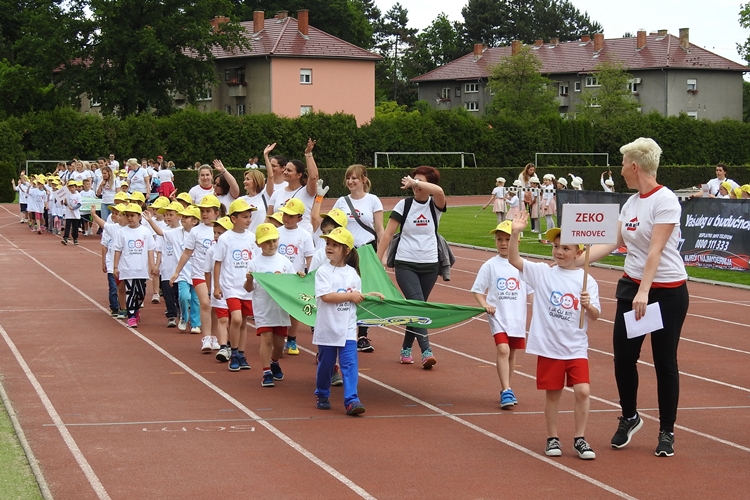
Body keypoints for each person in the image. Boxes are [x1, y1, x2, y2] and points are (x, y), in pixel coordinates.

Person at [581, 137, 689, 458]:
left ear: (635, 166)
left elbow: (655, 250)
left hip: (666, 292)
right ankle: (630, 416)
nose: (620, 169)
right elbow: (612, 242)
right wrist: (577, 259)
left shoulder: (666, 201)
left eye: (623, 163)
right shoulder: (630, 202)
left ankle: (666, 430)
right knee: (624, 358)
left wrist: (646, 290)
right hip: (632, 287)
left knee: (664, 361)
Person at [508, 217, 600, 460]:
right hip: (550, 347)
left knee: (582, 391)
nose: (559, 251)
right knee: (553, 393)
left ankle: (580, 438)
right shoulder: (543, 273)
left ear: (579, 252)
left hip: (576, 346)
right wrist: (516, 233)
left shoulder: (587, 280)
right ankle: (552, 438)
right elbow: (514, 259)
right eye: (556, 246)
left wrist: (588, 306)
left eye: (565, 247)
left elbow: (595, 316)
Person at [377, 166, 446, 369]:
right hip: (405, 263)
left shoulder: (435, 204)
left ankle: (406, 348)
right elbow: (388, 234)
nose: (414, 185)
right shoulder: (404, 205)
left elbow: (440, 191)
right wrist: (376, 260)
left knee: (416, 308)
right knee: (417, 305)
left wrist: (415, 182)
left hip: (430, 265)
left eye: (419, 182)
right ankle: (426, 351)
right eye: (413, 181)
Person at [313, 227, 383, 414]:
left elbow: (354, 295)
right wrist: (351, 297)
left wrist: (369, 296)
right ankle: (322, 393)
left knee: (349, 364)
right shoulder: (323, 272)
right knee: (326, 364)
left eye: (335, 245)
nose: (329, 247)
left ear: (346, 250)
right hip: (328, 328)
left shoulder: (353, 273)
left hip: (347, 328)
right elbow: (326, 296)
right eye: (328, 243)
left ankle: (352, 400)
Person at [471, 220, 532, 409]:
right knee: (503, 350)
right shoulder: (490, 265)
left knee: (511, 354)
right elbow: (478, 290)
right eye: (499, 239)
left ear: (516, 241)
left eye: (507, 239)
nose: (503, 243)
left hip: (517, 317)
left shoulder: (523, 266)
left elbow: (532, 291)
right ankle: (506, 390)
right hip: (498, 316)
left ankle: (507, 387)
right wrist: (485, 305)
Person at [332, 164, 384, 352]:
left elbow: (380, 230)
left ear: (363, 180)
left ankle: (362, 334)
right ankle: (343, 331)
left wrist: (380, 256)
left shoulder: (373, 200)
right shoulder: (341, 201)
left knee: (365, 290)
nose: (351, 181)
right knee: (345, 287)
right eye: (348, 178)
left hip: (367, 249)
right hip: (347, 250)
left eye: (355, 178)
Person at [244, 223, 295, 387]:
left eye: (274, 241)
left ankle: (274, 361)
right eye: (267, 242)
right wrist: (249, 279)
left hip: (280, 310)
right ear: (258, 243)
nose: (271, 245)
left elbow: (293, 284)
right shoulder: (254, 263)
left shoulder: (285, 262)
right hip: (263, 308)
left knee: (279, 345)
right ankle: (266, 372)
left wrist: (299, 277)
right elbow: (248, 288)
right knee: (266, 340)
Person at [212, 199, 258, 371]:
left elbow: (256, 260)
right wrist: (217, 286)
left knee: (243, 322)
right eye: (245, 217)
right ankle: (233, 352)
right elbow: (218, 263)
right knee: (236, 319)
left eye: (250, 216)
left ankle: (241, 354)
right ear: (233, 218)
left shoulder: (253, 238)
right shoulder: (225, 239)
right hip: (230, 286)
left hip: (247, 287)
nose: (248, 220)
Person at [171, 194, 221, 345]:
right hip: (199, 272)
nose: (204, 214)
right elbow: (187, 252)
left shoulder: (223, 229)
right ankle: (206, 338)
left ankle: (214, 337)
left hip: (218, 275)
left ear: (217, 212)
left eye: (208, 211)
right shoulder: (196, 231)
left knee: (215, 306)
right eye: (202, 211)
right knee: (205, 303)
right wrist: (176, 272)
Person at [275, 198, 315, 355]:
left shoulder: (304, 235)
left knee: (293, 310)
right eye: (285, 215)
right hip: (278, 278)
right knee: (277, 309)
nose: (286, 218)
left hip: (296, 278)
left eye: (291, 216)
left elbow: (309, 257)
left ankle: (291, 339)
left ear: (300, 218)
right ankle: (277, 338)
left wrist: (308, 275)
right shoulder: (277, 232)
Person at [113, 203, 157, 328]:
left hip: (141, 269)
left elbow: (150, 250)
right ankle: (131, 316)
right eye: (127, 216)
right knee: (131, 292)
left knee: (141, 294)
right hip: (127, 268)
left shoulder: (146, 232)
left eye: (132, 215)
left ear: (139, 217)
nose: (130, 218)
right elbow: (117, 250)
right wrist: (115, 267)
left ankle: (136, 309)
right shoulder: (122, 232)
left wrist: (152, 265)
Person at [267, 139, 319, 234]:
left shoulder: (307, 192)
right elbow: (268, 219)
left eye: (289, 171)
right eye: (285, 169)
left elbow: (313, 177)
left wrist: (308, 154)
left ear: (299, 175)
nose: (285, 172)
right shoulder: (277, 194)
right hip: (281, 236)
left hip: (302, 236)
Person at [240, 169, 270, 235]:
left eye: (247, 179)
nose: (244, 182)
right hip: (245, 238)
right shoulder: (241, 200)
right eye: (245, 179)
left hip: (262, 237)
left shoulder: (265, 196)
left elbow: (271, 176)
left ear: (256, 181)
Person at [60, 180, 81, 244]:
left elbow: (79, 204)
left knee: (75, 227)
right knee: (67, 226)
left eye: (72, 187)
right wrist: (65, 203)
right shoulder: (67, 194)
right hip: (68, 214)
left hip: (75, 214)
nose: (71, 189)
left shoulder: (78, 195)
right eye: (70, 187)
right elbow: (65, 204)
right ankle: (65, 237)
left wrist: (73, 208)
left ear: (75, 187)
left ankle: (75, 238)